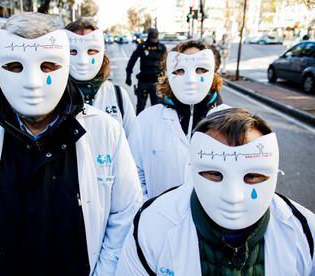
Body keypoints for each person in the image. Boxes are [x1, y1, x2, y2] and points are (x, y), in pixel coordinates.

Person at [0, 12, 142, 276]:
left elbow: (125, 215)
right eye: (15, 67)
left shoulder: (106, 131)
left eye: (48, 66)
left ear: (65, 64)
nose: (32, 83)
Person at [117, 108, 315, 275]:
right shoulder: (151, 226)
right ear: (192, 169)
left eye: (252, 176)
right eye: (214, 174)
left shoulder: (307, 234)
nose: (233, 197)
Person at [128, 40, 229, 200]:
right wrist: (147, 210)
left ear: (213, 73)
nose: (190, 79)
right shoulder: (147, 120)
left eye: (201, 69)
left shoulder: (231, 122)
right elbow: (132, 175)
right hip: (159, 219)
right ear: (167, 74)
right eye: (180, 70)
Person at [65, 19, 136, 136]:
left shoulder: (118, 96)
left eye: (91, 51)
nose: (83, 61)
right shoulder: (52, 98)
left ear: (102, 53)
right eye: (73, 51)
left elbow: (133, 143)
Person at [126, 28, 166, 114]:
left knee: (157, 109)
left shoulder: (162, 48)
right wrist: (128, 76)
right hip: (144, 81)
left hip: (156, 82)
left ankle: (156, 127)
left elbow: (166, 64)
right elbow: (132, 61)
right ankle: (138, 126)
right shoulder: (142, 47)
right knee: (140, 108)